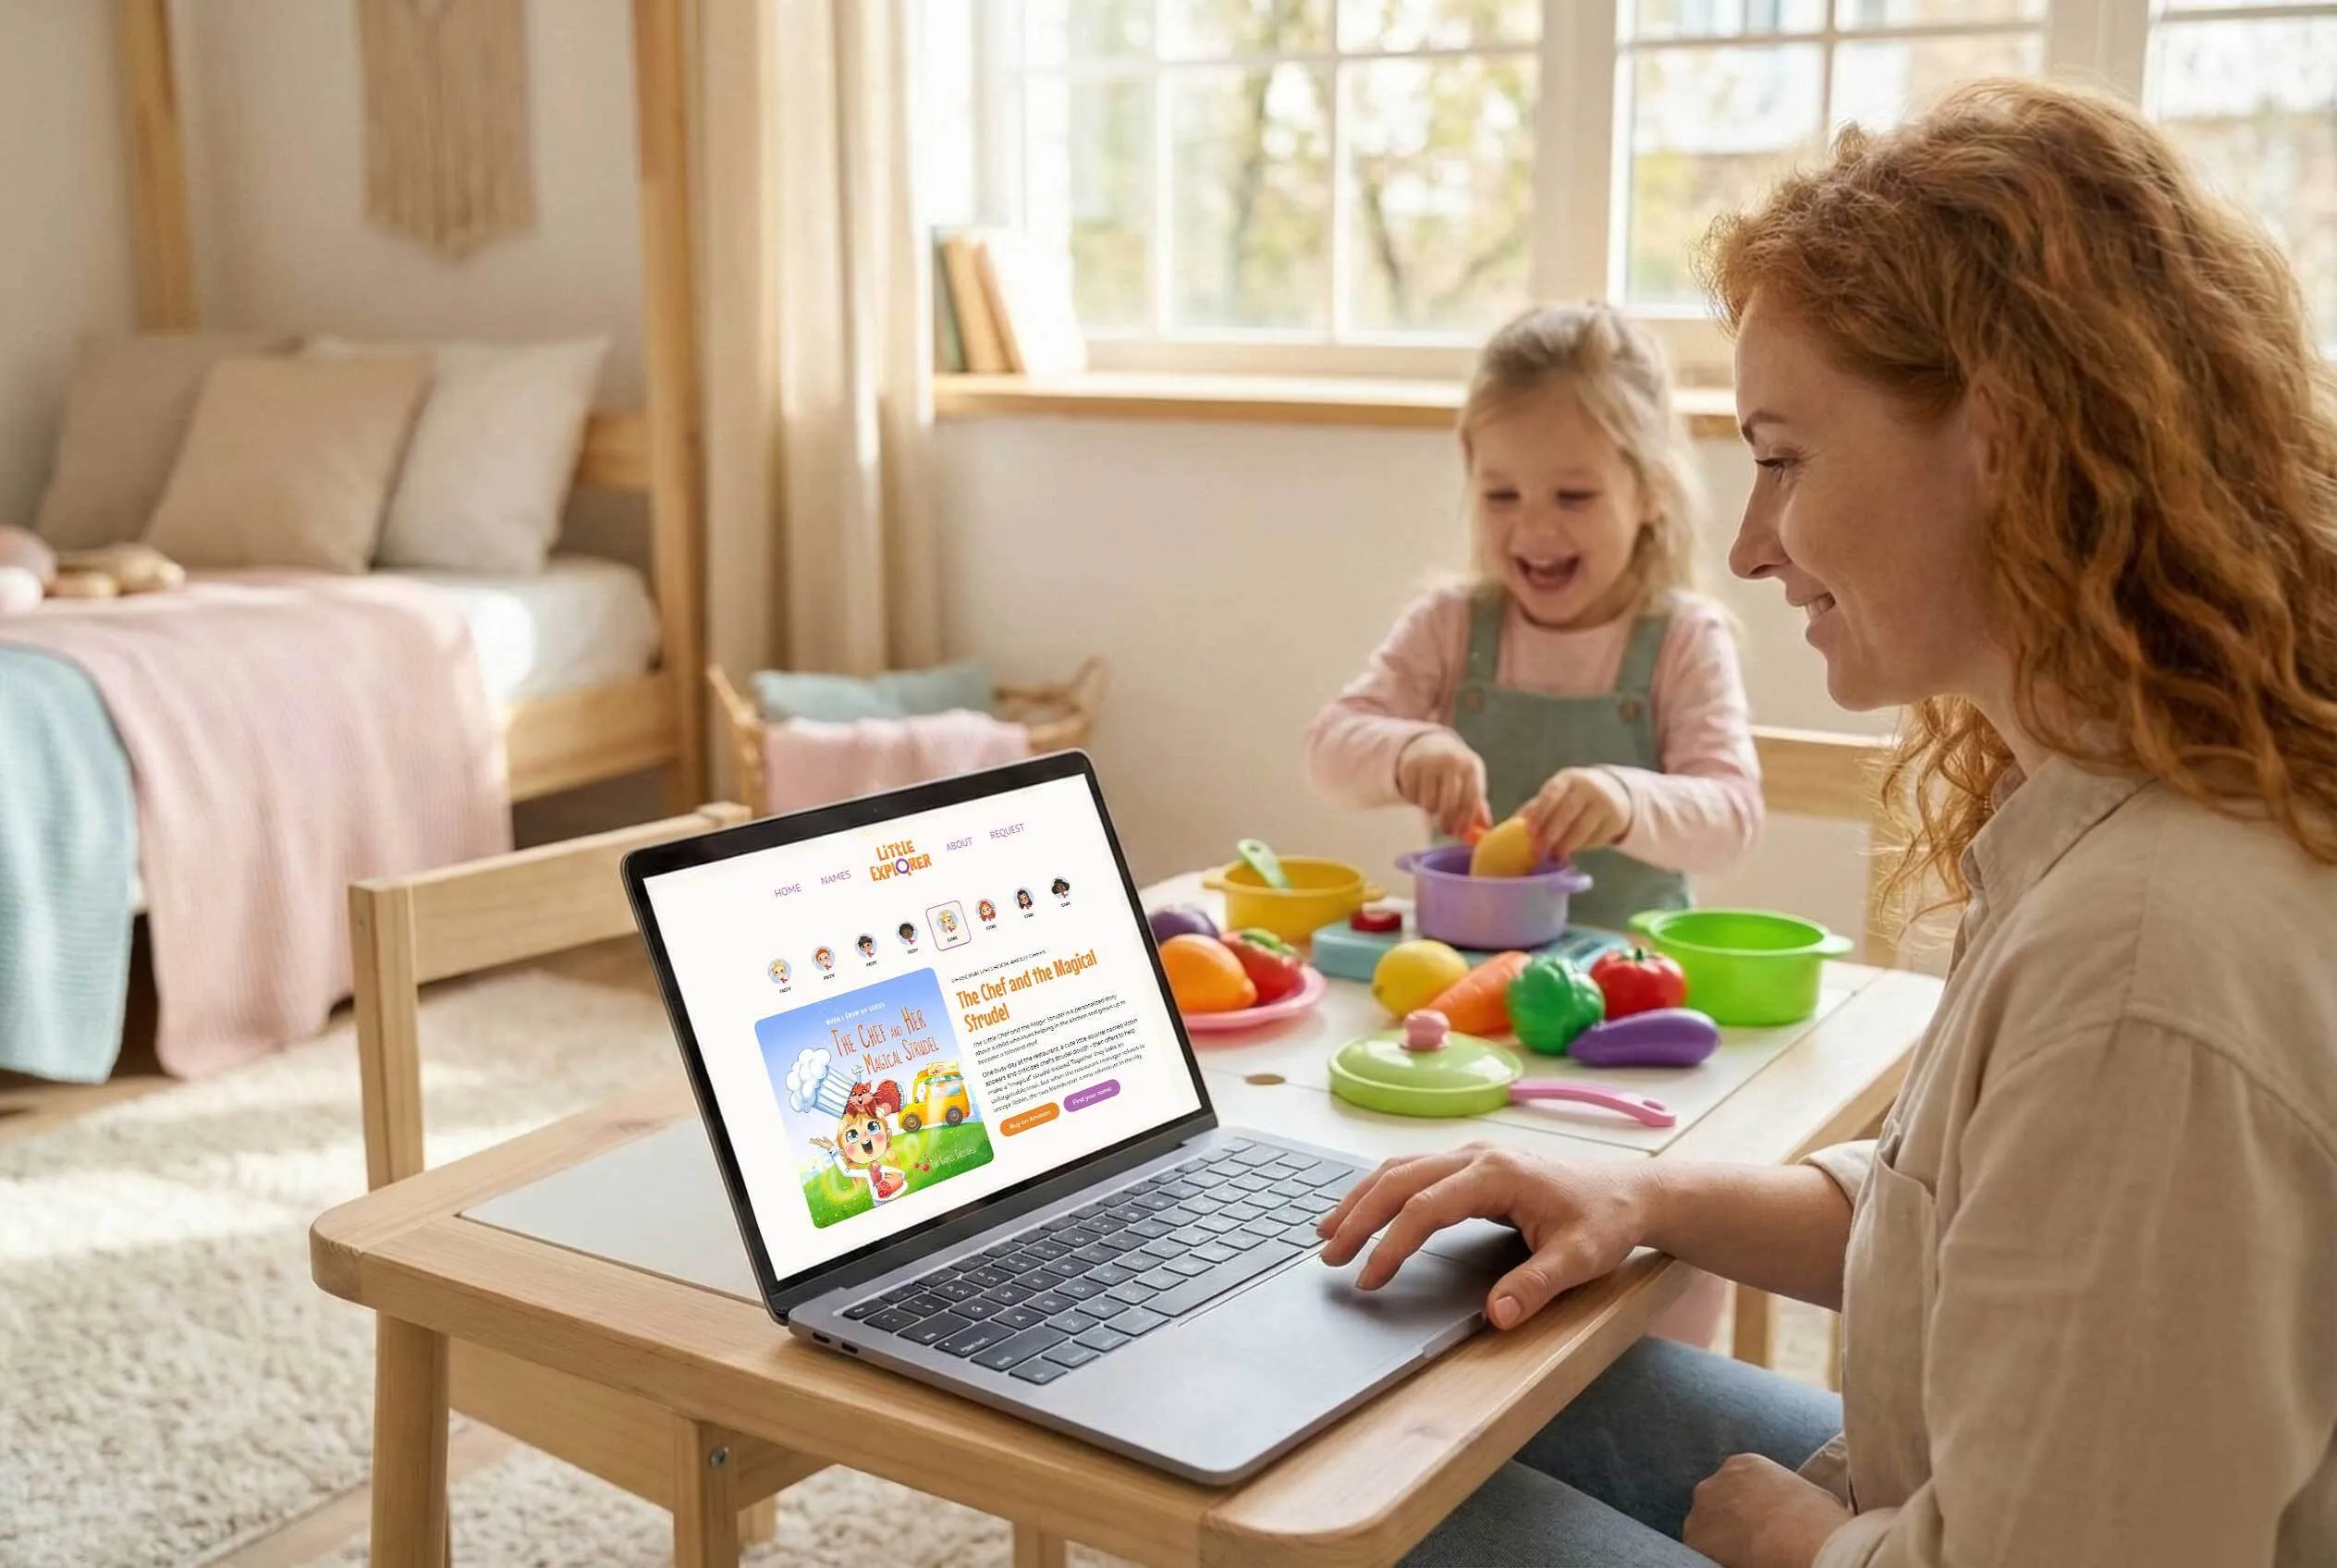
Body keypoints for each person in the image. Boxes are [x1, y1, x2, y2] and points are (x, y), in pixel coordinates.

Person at [1345, 80, 2337, 1568]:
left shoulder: (2146, 963)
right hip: (1929, 1483)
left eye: (1786, 455)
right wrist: (1640, 1192)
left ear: (2008, 439)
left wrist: (1801, 1543)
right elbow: (1984, 1217)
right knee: (1400, 1407)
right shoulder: (2113, 811)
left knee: (1344, 1531)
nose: (1750, 542)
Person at [1305, 300, 1761, 930]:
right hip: (1464, 971)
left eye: (1573, 497)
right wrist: (1409, 750)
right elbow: (1328, 752)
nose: (1535, 526)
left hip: (1630, 983)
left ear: (1652, 491)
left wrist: (1628, 801)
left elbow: (1731, 818)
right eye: (1501, 495)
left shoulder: (1684, 639)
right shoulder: (1448, 626)